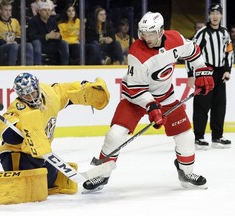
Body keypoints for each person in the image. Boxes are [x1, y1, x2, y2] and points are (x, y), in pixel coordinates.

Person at [82, 11, 214, 192]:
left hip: (166, 96)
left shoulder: (175, 38)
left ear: (160, 32)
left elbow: (193, 51)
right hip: (135, 98)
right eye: (144, 33)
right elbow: (136, 89)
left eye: (151, 33)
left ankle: (186, 172)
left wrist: (201, 70)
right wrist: (152, 107)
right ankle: (101, 174)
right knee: (116, 134)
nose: (147, 37)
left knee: (186, 136)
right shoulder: (137, 52)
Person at [0, 72, 110, 207]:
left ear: (37, 88)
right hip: (16, 155)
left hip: (40, 154)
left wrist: (87, 89)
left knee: (48, 180)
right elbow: (8, 134)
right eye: (25, 95)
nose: (30, 97)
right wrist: (24, 127)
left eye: (32, 93)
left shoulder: (49, 95)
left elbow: (67, 91)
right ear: (19, 94)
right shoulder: (17, 108)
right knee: (31, 188)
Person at [187, 4, 233, 150]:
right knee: (202, 105)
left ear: (221, 15)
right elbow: (191, 53)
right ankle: (199, 136)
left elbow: (229, 51)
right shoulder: (202, 34)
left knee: (220, 105)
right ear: (208, 15)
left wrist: (227, 70)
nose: (215, 16)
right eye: (212, 13)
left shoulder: (225, 33)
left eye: (218, 13)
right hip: (205, 71)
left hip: (220, 73)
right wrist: (190, 74)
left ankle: (217, 136)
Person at [0, 0, 34, 66]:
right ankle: (11, 68)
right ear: (0, 11)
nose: (8, 12)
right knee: (14, 46)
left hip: (14, 44)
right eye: (6, 10)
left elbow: (19, 36)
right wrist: (6, 42)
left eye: (10, 10)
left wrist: (15, 41)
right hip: (1, 47)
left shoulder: (15, 21)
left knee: (28, 45)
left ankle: (29, 68)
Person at [27, 1, 69, 65]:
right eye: (45, 10)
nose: (47, 13)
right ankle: (38, 66)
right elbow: (32, 36)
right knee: (36, 42)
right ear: (39, 11)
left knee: (64, 43)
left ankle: (65, 66)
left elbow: (57, 32)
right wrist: (46, 36)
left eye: (49, 10)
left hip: (51, 44)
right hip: (40, 45)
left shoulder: (52, 21)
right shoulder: (33, 21)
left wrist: (58, 36)